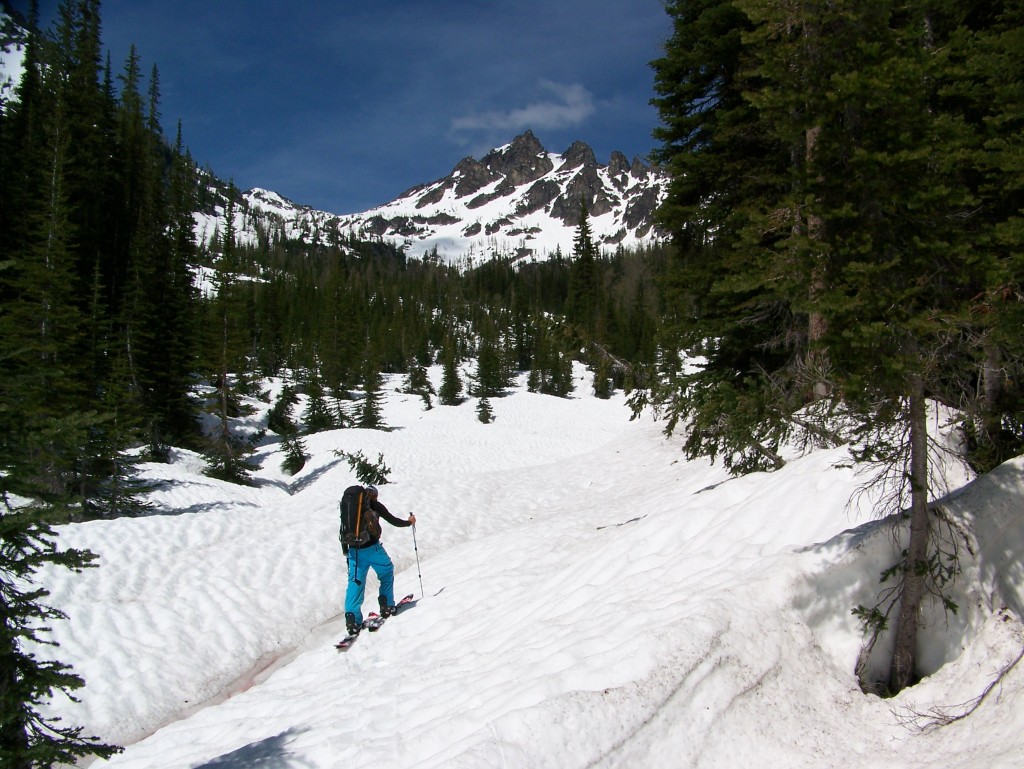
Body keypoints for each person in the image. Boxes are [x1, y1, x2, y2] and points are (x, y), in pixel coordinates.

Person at [344, 485, 416, 635]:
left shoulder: (351, 508)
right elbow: (393, 520)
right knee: (386, 571)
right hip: (372, 548)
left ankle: (352, 619)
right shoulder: (374, 504)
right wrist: (409, 522)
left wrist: (347, 551)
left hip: (354, 551)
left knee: (355, 582)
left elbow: (343, 529)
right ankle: (387, 605)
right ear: (374, 495)